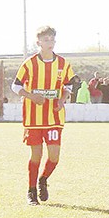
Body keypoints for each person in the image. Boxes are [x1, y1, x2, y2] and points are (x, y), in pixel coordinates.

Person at [10, 25, 75, 205]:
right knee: (36, 155)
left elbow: (68, 86)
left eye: (52, 39)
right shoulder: (29, 63)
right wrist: (31, 96)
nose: (50, 43)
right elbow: (15, 86)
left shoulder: (63, 64)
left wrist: (62, 99)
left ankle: (43, 179)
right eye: (46, 40)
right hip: (33, 119)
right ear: (38, 42)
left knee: (54, 156)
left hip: (54, 117)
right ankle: (31, 191)